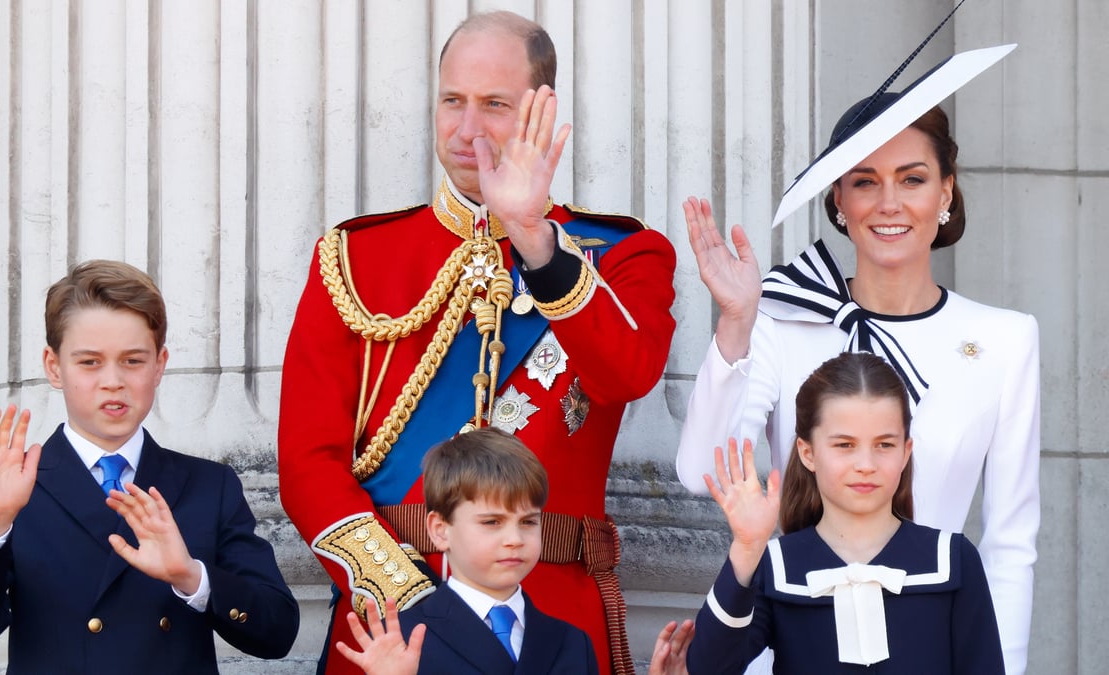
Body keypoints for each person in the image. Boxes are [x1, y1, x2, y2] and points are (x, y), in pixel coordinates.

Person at [278, 10, 677, 675]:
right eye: (452, 102)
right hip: (389, 626)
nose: (467, 130)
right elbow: (306, 463)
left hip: (553, 626)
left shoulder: (622, 257)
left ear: (540, 112)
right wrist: (408, 599)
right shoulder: (354, 259)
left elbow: (627, 372)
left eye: (494, 105)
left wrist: (534, 240)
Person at [675, 55, 1038, 672]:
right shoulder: (780, 319)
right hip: (789, 645)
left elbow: (1010, 548)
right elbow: (698, 473)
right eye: (865, 180)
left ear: (946, 191)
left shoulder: (1005, 340)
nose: (888, 203)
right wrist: (737, 322)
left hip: (931, 647)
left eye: (913, 178)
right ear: (838, 199)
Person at [0, 260, 299, 673]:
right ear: (54, 367)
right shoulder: (12, 484)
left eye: (133, 361)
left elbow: (278, 632)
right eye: (89, 362)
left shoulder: (208, 485)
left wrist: (191, 577)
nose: (113, 381)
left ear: (159, 365)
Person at [687, 353, 1005, 673]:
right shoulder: (777, 567)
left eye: (884, 445)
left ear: (906, 451)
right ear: (808, 453)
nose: (866, 465)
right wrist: (746, 548)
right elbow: (707, 669)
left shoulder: (953, 560)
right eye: (845, 445)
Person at [335, 427, 599, 674]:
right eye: (492, 522)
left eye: (528, 522)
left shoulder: (572, 642)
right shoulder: (399, 639)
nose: (515, 539)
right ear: (440, 530)